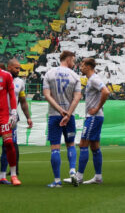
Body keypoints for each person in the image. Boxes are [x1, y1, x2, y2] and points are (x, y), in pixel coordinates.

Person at [43, 50, 82, 188]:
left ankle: (57, 181)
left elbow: (47, 95)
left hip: (54, 115)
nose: (74, 63)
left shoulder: (49, 73)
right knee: (71, 144)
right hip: (69, 117)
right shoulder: (75, 76)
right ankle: (72, 171)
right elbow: (77, 97)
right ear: (68, 58)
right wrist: (68, 113)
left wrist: (60, 110)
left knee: (55, 148)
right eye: (74, 59)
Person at [75, 57, 109, 185]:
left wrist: (97, 108)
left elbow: (106, 92)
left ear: (89, 67)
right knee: (94, 146)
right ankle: (98, 177)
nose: (80, 67)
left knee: (83, 144)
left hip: (94, 117)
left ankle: (79, 176)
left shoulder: (94, 79)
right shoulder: (91, 80)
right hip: (95, 117)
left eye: (82, 65)